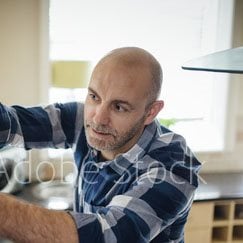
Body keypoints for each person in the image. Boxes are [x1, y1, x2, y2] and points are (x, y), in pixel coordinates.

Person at [0, 47, 201, 242]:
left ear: (151, 112)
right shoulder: (82, 119)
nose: (98, 118)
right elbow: (12, 123)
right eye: (94, 96)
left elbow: (108, 235)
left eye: (119, 107)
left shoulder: (174, 165)